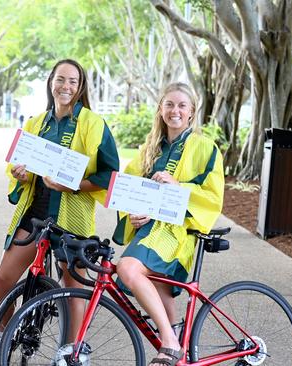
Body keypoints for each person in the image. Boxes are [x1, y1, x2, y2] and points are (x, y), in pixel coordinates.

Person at [0, 59, 119, 356]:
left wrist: (72, 185)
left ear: (80, 87)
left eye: (73, 81)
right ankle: (6, 333)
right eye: (61, 79)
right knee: (2, 279)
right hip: (35, 213)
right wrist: (18, 173)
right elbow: (18, 165)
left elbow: (109, 175)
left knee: (72, 286)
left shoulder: (92, 123)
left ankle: (71, 351)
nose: (66, 86)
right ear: (51, 82)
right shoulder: (36, 122)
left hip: (72, 217)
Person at [113, 82, 224, 366]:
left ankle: (170, 342)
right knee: (158, 288)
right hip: (148, 231)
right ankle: (178, 351)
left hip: (178, 233)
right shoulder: (148, 149)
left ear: (191, 113)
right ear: (161, 110)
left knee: (127, 267)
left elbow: (213, 197)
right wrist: (132, 213)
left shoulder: (205, 148)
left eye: (182, 105)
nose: (175, 111)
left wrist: (178, 186)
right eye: (169, 105)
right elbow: (127, 189)